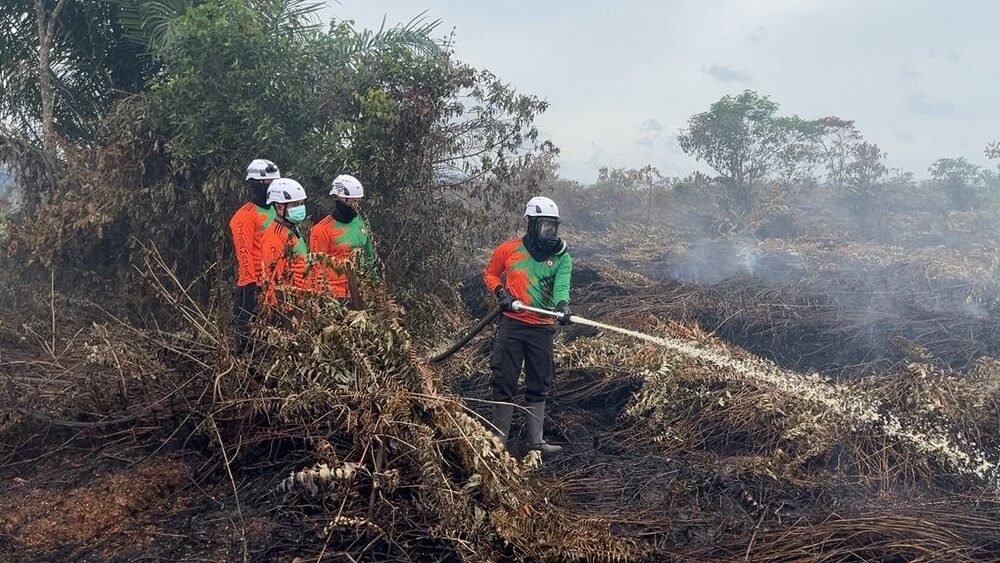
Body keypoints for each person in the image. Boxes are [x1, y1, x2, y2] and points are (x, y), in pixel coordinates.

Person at [483, 196, 573, 454]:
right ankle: (499, 440)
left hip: (542, 328)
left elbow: (561, 286)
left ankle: (536, 441)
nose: (550, 232)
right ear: (532, 224)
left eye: (554, 227)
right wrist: (502, 294)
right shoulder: (508, 250)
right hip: (512, 325)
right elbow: (490, 273)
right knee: (504, 378)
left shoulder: (562, 258)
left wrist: (562, 306)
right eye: (545, 226)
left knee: (540, 380)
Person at [229, 158, 279, 352]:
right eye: (267, 183)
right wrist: (252, 289)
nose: (270, 186)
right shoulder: (244, 215)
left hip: (277, 285)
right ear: (255, 184)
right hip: (253, 285)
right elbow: (244, 253)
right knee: (248, 341)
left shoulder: (278, 211)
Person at [308, 174, 379, 301]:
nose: (355, 205)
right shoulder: (322, 229)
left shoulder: (360, 222)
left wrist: (377, 284)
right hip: (335, 296)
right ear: (338, 199)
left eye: (357, 201)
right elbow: (317, 267)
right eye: (352, 201)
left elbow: (370, 256)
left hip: (362, 291)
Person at [259, 177, 310, 306]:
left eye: (301, 203)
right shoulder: (274, 237)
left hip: (301, 302)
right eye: (295, 204)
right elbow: (276, 281)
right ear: (279, 207)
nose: (300, 208)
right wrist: (288, 312)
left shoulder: (292, 231)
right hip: (288, 308)